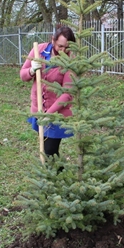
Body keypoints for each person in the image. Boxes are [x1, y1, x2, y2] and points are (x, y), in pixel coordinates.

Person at [20, 26, 76, 158]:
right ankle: (54, 175)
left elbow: (67, 93)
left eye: (67, 48)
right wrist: (31, 70)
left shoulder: (71, 61)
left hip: (57, 112)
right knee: (47, 150)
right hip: (39, 108)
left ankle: (58, 175)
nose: (63, 51)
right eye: (60, 46)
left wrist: (49, 115)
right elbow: (22, 75)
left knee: (49, 151)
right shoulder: (38, 50)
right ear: (53, 40)